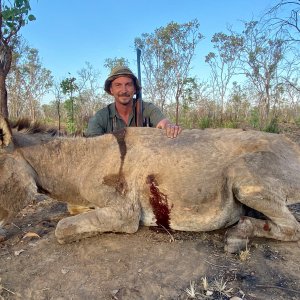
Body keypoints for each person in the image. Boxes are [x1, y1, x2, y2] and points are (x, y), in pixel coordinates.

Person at [86, 66, 182, 138]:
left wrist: (169, 126)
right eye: (118, 85)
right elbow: (91, 146)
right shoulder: (100, 117)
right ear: (111, 89)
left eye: (128, 85)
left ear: (135, 89)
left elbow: (163, 123)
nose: (124, 90)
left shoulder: (147, 108)